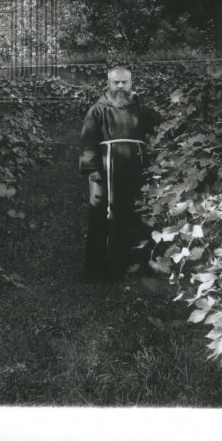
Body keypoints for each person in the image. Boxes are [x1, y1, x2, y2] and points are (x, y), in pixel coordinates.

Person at [79, 67, 160, 282]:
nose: (121, 86)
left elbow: (162, 127)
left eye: (125, 82)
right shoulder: (98, 110)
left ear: (131, 82)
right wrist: (93, 170)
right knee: (103, 214)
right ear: (108, 83)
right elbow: (87, 141)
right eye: (116, 83)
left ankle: (138, 264)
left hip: (137, 168)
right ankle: (102, 270)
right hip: (107, 171)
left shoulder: (141, 108)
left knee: (137, 212)